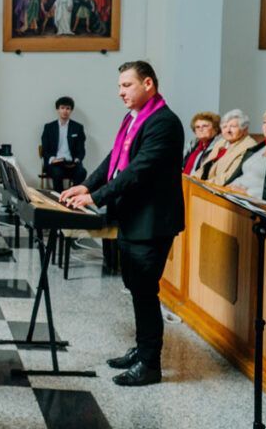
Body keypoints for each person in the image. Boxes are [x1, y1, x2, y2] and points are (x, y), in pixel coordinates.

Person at [61, 60, 184, 387]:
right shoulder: (135, 118)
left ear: (148, 84)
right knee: (135, 287)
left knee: (145, 290)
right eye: (119, 86)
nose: (120, 92)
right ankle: (142, 349)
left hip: (152, 221)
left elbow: (138, 170)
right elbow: (113, 160)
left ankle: (150, 364)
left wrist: (96, 197)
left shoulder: (163, 123)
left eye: (126, 85)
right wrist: (87, 185)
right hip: (133, 217)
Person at [201, 109, 258, 186]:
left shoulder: (249, 146)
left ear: (245, 129)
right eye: (224, 127)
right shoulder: (220, 143)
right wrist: (193, 179)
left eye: (233, 127)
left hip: (221, 189)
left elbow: (230, 176)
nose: (228, 130)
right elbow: (203, 169)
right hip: (206, 185)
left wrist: (203, 184)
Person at [41, 95, 86, 191]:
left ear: (71, 110)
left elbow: (81, 150)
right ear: (57, 109)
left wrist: (77, 159)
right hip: (55, 163)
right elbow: (45, 150)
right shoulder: (49, 127)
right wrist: (53, 159)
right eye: (62, 108)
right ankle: (59, 197)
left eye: (68, 108)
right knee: (57, 173)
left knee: (82, 172)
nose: (65, 111)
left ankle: (73, 196)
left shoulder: (77, 128)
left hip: (71, 163)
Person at [182, 111, 220, 176]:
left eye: (205, 126)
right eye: (197, 127)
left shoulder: (220, 146)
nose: (201, 129)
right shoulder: (192, 145)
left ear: (215, 128)